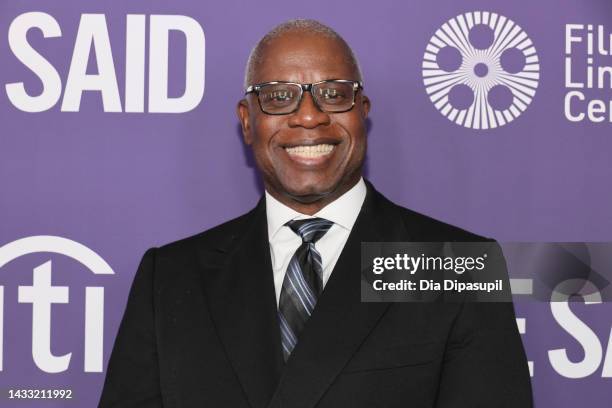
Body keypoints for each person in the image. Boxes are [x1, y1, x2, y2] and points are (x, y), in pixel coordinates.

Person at [99, 19, 532, 408]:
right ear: (247, 121)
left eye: (333, 93)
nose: (309, 115)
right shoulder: (172, 278)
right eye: (279, 97)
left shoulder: (455, 267)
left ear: (362, 113)